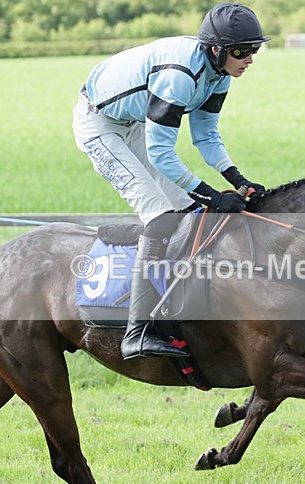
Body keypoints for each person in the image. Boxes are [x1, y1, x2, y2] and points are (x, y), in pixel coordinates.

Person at [72, 2, 269, 360]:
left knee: (186, 209)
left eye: (254, 50)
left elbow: (206, 137)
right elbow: (162, 154)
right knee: (162, 216)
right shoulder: (180, 76)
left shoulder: (220, 74)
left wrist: (237, 180)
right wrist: (213, 196)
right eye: (243, 51)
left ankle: (178, 307)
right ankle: (136, 330)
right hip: (99, 126)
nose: (250, 59)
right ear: (216, 49)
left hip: (133, 124)